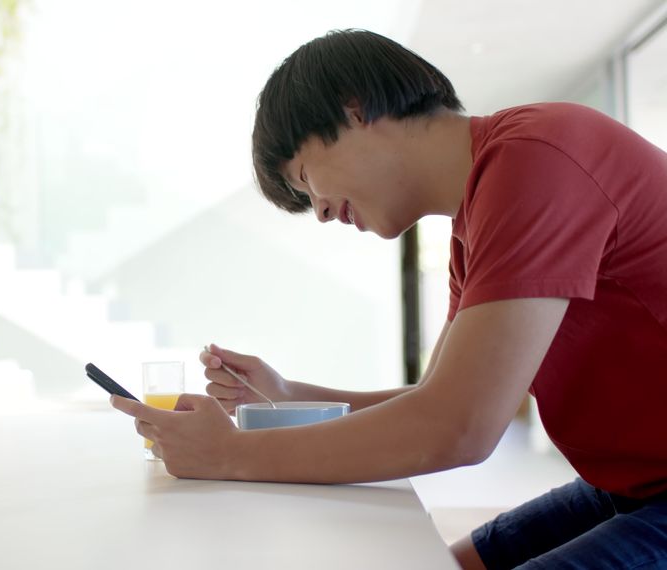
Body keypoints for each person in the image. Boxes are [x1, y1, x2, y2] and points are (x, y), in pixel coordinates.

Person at [110, 29, 667, 569]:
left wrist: (228, 457)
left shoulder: (539, 160)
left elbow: (459, 427)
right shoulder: (476, 223)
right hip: (629, 485)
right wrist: (288, 396)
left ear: (354, 109)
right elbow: (438, 397)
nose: (322, 211)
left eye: (307, 180)